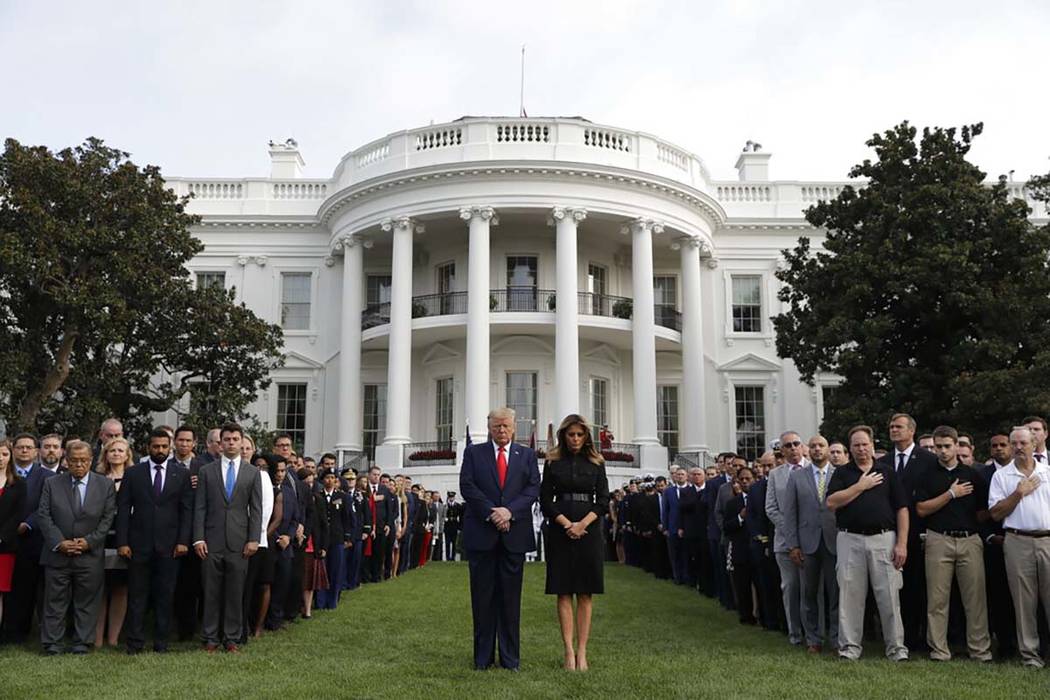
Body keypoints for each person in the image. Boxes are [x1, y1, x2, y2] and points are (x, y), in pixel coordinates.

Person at [459, 407, 540, 671]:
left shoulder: (526, 455)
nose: (501, 431)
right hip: (482, 534)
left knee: (510, 601)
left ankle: (510, 659)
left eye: (505, 426)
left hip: (513, 535)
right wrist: (492, 513)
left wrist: (509, 511)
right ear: (489, 427)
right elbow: (467, 486)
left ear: (514, 427)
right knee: (482, 600)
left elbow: (532, 488)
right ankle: (482, 658)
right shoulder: (474, 453)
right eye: (496, 426)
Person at [827, 425, 910, 661]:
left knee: (889, 596)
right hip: (849, 539)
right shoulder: (842, 474)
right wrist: (859, 487)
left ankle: (896, 649)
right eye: (856, 445)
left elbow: (902, 509)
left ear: (872, 445)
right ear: (850, 448)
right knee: (850, 596)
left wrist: (901, 543)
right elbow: (832, 502)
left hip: (884, 539)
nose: (861, 449)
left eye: (865, 444)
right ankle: (850, 649)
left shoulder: (888, 472)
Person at [914, 425, 992, 662]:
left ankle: (980, 650)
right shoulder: (927, 475)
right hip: (938, 539)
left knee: (975, 599)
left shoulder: (973, 475)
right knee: (937, 599)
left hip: (969, 540)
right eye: (938, 447)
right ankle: (939, 650)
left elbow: (983, 512)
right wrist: (950, 494)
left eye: (947, 446)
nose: (943, 451)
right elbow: (921, 509)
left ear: (957, 446)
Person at [539, 414, 610, 671]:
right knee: (563, 589)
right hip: (560, 529)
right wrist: (566, 523)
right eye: (571, 435)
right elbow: (545, 498)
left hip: (589, 529)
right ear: (564, 436)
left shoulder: (596, 462)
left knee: (585, 591)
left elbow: (603, 499)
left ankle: (582, 651)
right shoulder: (552, 461)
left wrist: (582, 525)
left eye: (580, 435)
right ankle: (568, 650)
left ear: (586, 436)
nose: (576, 439)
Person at [115, 427, 193, 654]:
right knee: (137, 596)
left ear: (170, 448)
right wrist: (122, 542)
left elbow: (186, 511)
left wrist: (183, 541)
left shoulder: (182, 474)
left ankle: (161, 642)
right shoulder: (134, 473)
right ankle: (135, 642)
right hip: (138, 545)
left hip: (170, 547)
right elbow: (123, 509)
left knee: (165, 595)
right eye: (156, 446)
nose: (160, 450)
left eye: (164, 447)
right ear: (148, 448)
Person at [37, 440, 117, 654]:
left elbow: (107, 518)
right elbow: (43, 516)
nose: (79, 465)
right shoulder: (52, 484)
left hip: (89, 555)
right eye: (74, 461)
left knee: (87, 600)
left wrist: (89, 542)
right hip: (57, 553)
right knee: (55, 600)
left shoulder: (105, 485)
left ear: (91, 461)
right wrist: (59, 542)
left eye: (83, 461)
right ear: (66, 461)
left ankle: (82, 642)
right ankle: (52, 643)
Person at [192, 423, 262, 653]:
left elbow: (256, 509)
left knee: (235, 591)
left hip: (240, 541)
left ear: (242, 442)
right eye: (227, 439)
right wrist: (198, 538)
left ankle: (231, 637)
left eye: (235, 439)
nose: (231, 443)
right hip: (211, 541)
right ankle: (210, 637)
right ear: (220, 443)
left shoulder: (253, 473)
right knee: (210, 590)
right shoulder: (206, 471)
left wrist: (254, 539)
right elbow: (200, 507)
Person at [988, 425, 1050, 668]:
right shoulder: (1001, 476)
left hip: (1047, 539)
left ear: (1035, 445)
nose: (1018, 448)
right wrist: (1018, 493)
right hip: (1017, 541)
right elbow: (995, 514)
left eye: (1023, 443)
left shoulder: (1047, 472)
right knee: (1024, 602)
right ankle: (1030, 655)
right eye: (1014, 443)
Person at [781, 435, 838, 654]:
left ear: (828, 449)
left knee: (835, 593)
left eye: (821, 446)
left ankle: (836, 638)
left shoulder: (839, 474)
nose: (817, 449)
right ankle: (813, 638)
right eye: (812, 446)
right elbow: (790, 513)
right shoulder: (797, 477)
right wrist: (793, 545)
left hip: (834, 542)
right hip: (807, 544)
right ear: (807, 450)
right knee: (809, 594)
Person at [3, 433, 58, 644]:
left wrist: (28, 523)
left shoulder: (46, 477)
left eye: (29, 447)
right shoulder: (5, 474)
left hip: (32, 540)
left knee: (27, 588)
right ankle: (7, 629)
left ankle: (21, 632)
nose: (24, 451)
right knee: (7, 588)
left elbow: (44, 506)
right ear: (13, 450)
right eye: (20, 447)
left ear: (36, 452)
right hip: (6, 539)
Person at [765, 430, 807, 647]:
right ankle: (795, 633)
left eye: (796, 444)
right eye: (788, 445)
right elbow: (771, 508)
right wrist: (790, 530)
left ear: (803, 447)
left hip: (812, 540)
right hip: (784, 543)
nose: (792, 448)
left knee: (812, 589)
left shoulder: (814, 470)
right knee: (790, 588)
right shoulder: (775, 475)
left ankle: (814, 632)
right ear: (781, 450)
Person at [978, 432, 1017, 660]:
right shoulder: (982, 475)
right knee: (999, 596)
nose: (999, 448)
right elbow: (978, 513)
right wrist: (991, 536)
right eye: (995, 446)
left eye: (1003, 445)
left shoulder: (1024, 473)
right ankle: (1005, 645)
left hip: (1021, 539)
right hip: (994, 544)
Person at [95, 436, 133, 648]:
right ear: (106, 455)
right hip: (100, 539)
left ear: (127, 455)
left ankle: (114, 638)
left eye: (120, 450)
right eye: (112, 451)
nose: (116, 454)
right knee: (99, 589)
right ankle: (97, 639)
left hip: (123, 539)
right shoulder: (97, 478)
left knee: (120, 588)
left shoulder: (134, 478)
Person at [724, 466, 759, 625]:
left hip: (759, 547)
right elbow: (727, 527)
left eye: (748, 479)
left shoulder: (762, 498)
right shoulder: (732, 503)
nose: (745, 482)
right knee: (742, 586)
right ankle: (746, 616)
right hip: (740, 549)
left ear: (754, 479)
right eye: (742, 479)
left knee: (762, 585)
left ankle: (765, 617)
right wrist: (740, 517)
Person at [315, 468, 352, 610]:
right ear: (322, 480)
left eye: (332, 477)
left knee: (336, 570)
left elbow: (347, 518)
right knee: (322, 569)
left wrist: (347, 537)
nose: (329, 480)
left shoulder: (342, 497)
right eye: (327, 477)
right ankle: (320, 601)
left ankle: (332, 600)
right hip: (323, 539)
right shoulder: (318, 496)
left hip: (337, 538)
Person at [0, 440, 26, 627]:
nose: (0, 459)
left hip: (4, 546)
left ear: (10, 457)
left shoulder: (18, 484)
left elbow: (17, 514)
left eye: (4, 454)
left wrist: (2, 536)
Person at [677, 467, 711, 595]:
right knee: (693, 557)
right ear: (690, 477)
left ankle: (705, 584)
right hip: (691, 529)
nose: (696, 476)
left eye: (699, 474)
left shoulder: (709, 490)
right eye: (694, 474)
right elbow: (682, 508)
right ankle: (694, 581)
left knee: (705, 558)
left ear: (704, 476)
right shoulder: (686, 491)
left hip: (705, 529)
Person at [364, 466, 394, 583]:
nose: (376, 477)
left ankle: (376, 576)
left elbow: (389, 509)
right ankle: (366, 576)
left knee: (379, 553)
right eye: (374, 474)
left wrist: (388, 524)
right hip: (367, 525)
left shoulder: (384, 489)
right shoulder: (365, 488)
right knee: (367, 553)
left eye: (378, 475)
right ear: (369, 475)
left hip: (381, 527)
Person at [661, 467, 688, 585]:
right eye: (678, 475)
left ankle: (687, 577)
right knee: (674, 554)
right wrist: (665, 527)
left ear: (686, 476)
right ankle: (677, 577)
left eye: (682, 474)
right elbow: (665, 510)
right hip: (672, 527)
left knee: (686, 554)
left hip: (687, 527)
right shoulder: (668, 491)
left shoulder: (691, 489)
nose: (680, 476)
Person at [444, 491, 463, 562]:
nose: (451, 498)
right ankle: (447, 557)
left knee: (454, 543)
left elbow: (460, 516)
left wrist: (459, 527)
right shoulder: (445, 506)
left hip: (455, 525)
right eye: (450, 497)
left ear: (454, 497)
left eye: (452, 497)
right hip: (447, 526)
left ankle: (453, 557)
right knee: (447, 543)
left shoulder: (458, 506)